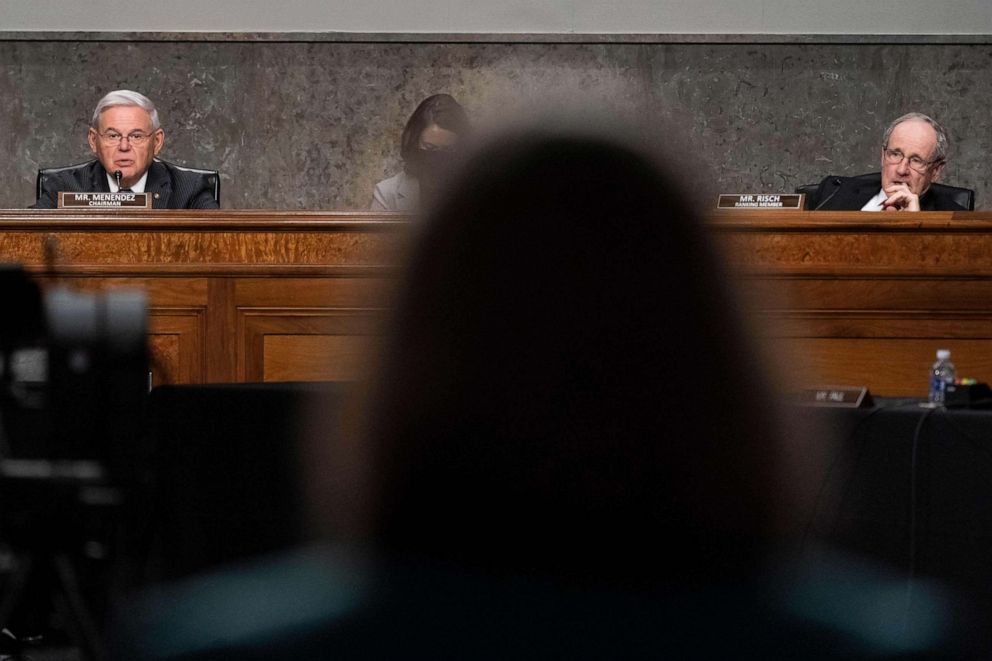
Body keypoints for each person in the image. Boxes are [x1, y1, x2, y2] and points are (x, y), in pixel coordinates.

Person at [33, 90, 219, 209]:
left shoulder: (188, 189)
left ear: (157, 141)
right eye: (113, 136)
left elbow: (221, 243)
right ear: (93, 140)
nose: (124, 147)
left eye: (136, 136)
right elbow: (23, 237)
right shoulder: (66, 187)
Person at [808, 113, 969, 212]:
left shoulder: (955, 221)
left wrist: (916, 227)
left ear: (936, 171)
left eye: (916, 160)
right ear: (883, 156)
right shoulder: (834, 193)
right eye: (895, 154)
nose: (901, 169)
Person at [370, 94, 468, 212]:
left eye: (447, 150)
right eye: (430, 148)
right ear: (414, 141)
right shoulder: (387, 193)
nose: (438, 157)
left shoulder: (479, 192)